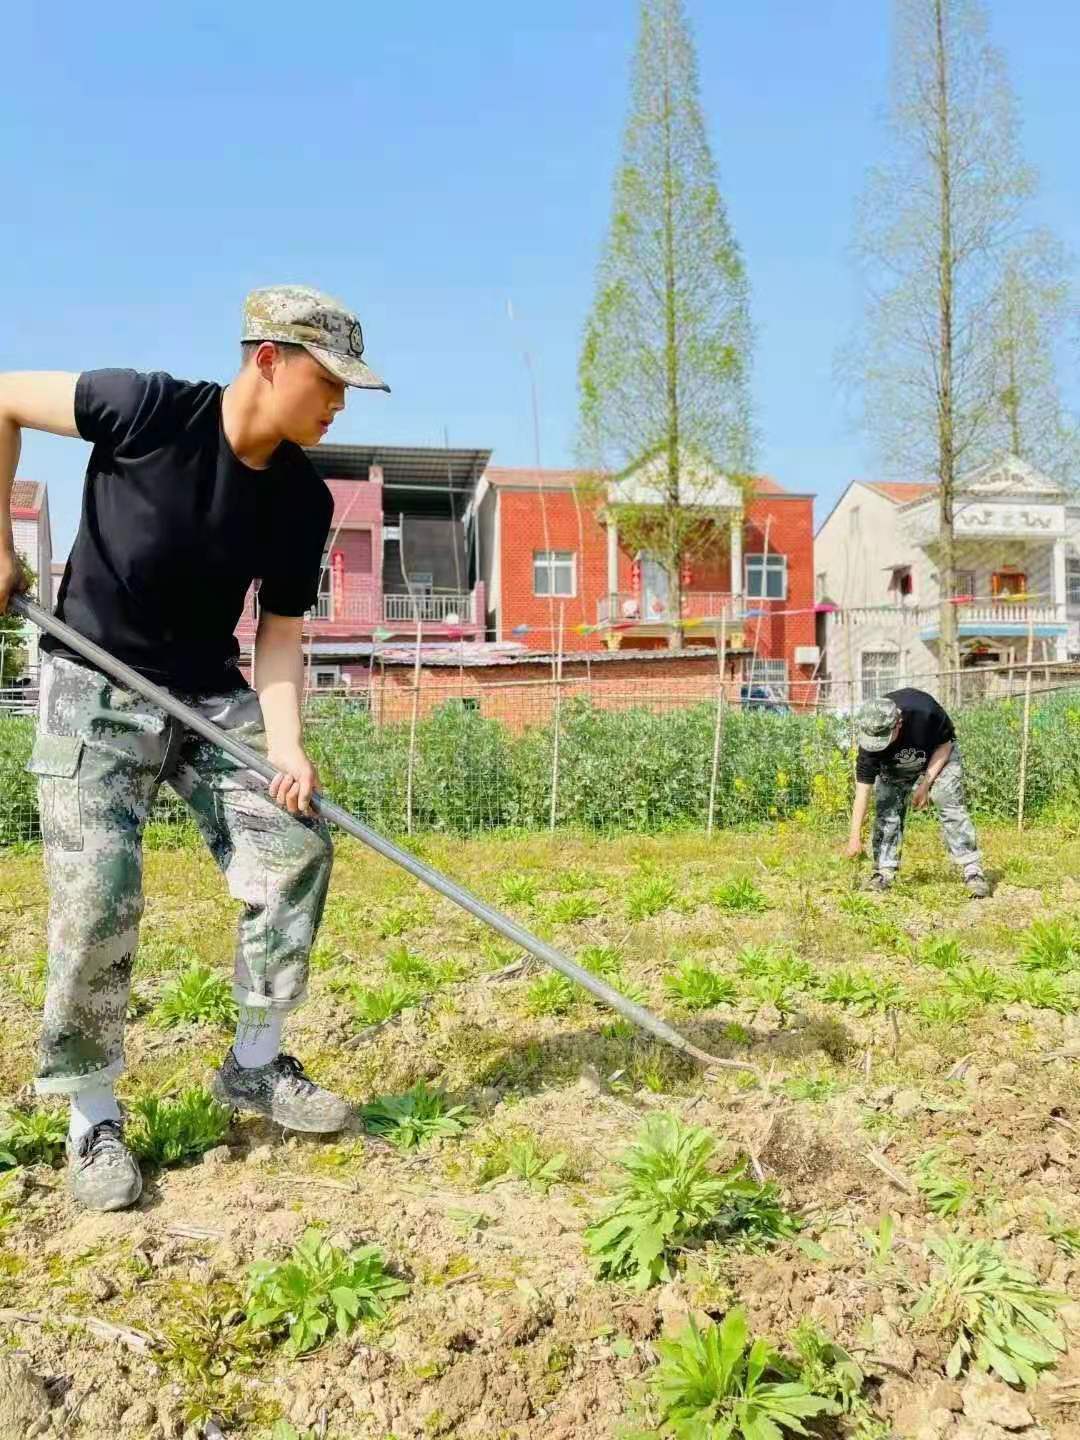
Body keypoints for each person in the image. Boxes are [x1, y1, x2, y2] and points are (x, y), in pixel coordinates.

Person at [0, 286, 389, 1211]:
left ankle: (256, 1060)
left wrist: (287, 750)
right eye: (327, 380)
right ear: (267, 360)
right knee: (99, 887)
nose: (339, 402)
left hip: (208, 693)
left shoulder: (301, 499)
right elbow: (3, 395)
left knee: (293, 844)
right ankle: (90, 1112)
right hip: (94, 678)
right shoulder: (145, 408)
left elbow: (281, 634)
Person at [844, 688, 990, 898]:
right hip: (895, 765)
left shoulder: (925, 711)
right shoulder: (871, 739)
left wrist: (925, 784)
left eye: (885, 737)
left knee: (945, 796)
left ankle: (972, 870)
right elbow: (863, 791)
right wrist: (854, 838)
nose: (878, 744)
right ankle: (884, 871)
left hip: (936, 754)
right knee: (887, 805)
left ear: (898, 724)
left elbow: (945, 745)